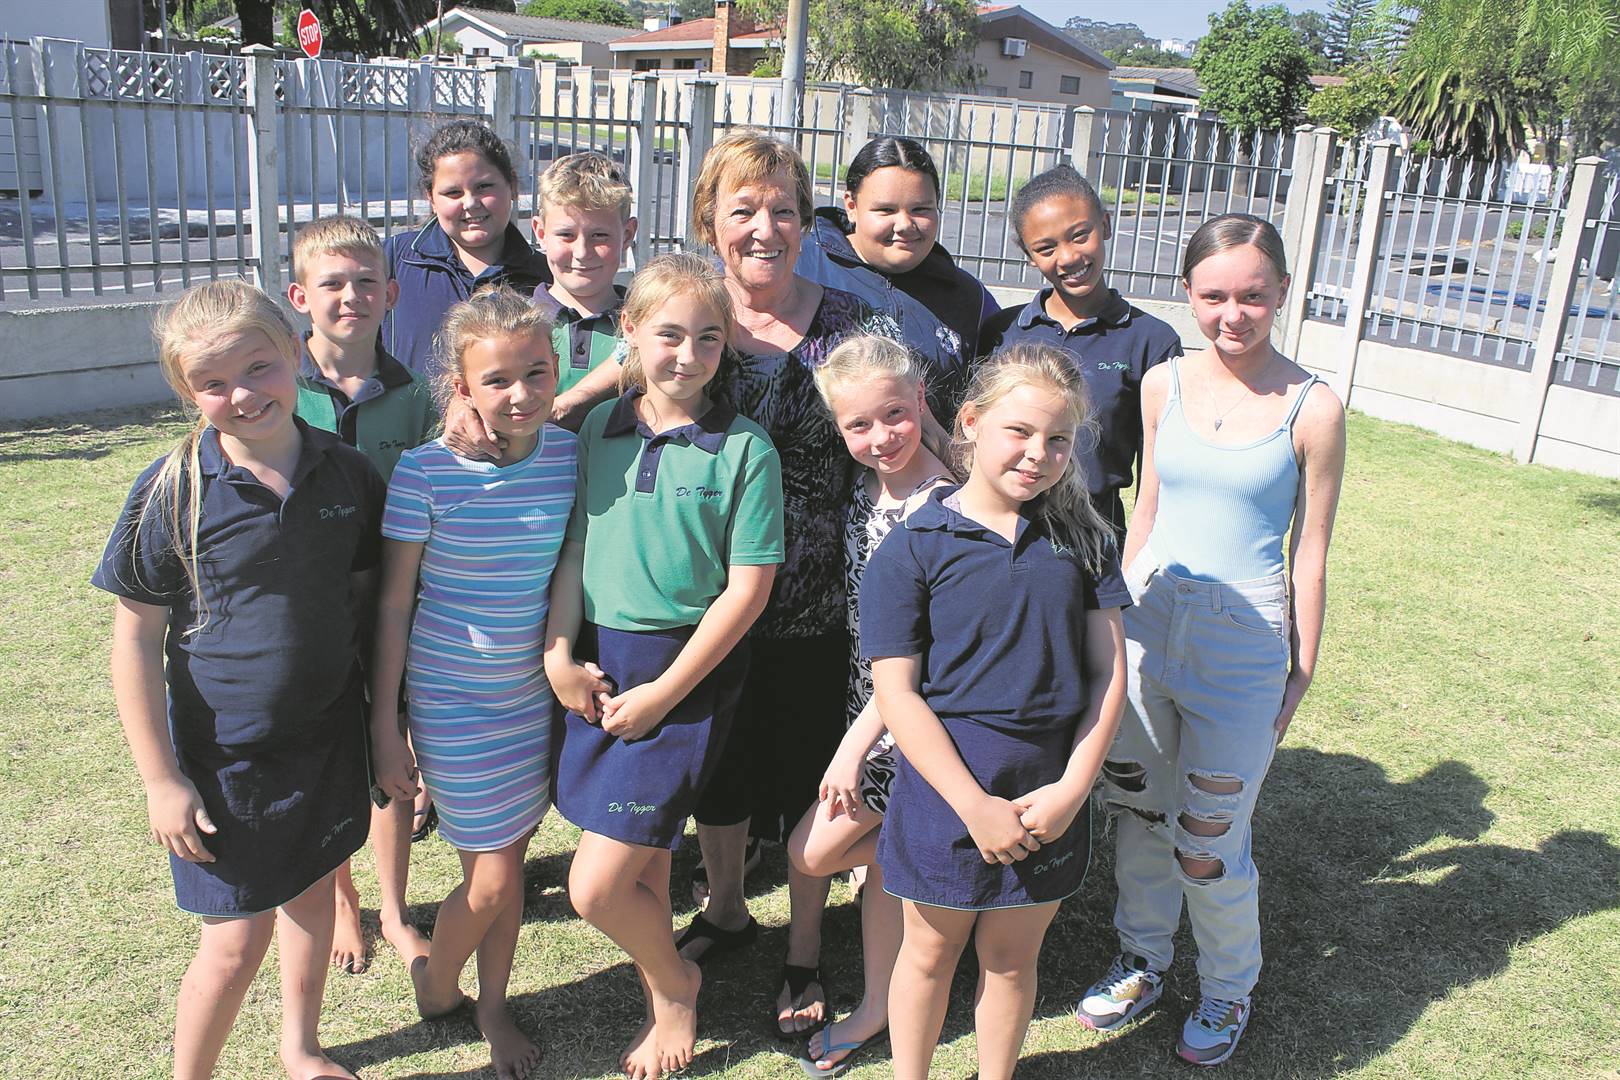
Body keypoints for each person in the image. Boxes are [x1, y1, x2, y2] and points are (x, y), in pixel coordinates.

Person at [92, 280, 385, 1080]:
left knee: (312, 899)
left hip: (327, 744)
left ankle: (302, 1047)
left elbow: (367, 607)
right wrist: (161, 781)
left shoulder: (349, 474)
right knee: (234, 941)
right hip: (225, 768)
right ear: (186, 391)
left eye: (259, 367)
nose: (244, 395)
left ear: (294, 351)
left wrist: (383, 728)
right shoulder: (171, 489)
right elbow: (134, 640)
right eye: (213, 383)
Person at [1075, 214, 1346, 1068]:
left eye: (1253, 296)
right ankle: (1142, 959)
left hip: (1243, 641)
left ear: (1283, 293)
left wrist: (1302, 666)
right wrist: (1111, 621)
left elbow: (1310, 548)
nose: (1234, 315)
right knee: (1139, 811)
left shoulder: (1313, 407)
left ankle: (1228, 989)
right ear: (1188, 294)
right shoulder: (1163, 382)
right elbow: (1147, 511)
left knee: (1208, 838)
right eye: (1215, 295)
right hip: (1148, 621)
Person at [671, 129, 902, 1042]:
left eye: (782, 210)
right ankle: (726, 907)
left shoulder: (852, 322)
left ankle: (804, 949)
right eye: (742, 210)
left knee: (815, 780)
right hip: (708, 600)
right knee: (720, 772)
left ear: (808, 223)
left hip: (821, 602)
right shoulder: (693, 318)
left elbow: (904, 425)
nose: (763, 228)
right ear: (709, 223)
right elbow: (623, 383)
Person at [544, 253, 784, 1080]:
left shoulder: (745, 449)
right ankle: (661, 991)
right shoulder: (596, 432)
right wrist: (558, 655)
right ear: (631, 333)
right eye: (670, 334)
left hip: (684, 677)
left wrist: (663, 694)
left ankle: (678, 986)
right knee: (642, 859)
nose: (688, 354)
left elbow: (746, 593)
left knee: (595, 888)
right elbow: (575, 552)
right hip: (603, 664)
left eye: (709, 338)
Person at [863, 343, 1129, 1080]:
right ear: (971, 422)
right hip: (944, 795)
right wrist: (972, 805)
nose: (1038, 454)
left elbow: (1108, 674)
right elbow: (897, 693)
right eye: (1019, 431)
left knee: (1011, 960)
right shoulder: (912, 549)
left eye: (1058, 439)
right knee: (928, 953)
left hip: (1049, 792)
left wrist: (1073, 789)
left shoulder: (1085, 540)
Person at [369, 287, 575, 1080]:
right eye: (497, 380)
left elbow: (641, 362)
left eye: (536, 372)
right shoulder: (424, 473)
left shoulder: (569, 454)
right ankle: (436, 983)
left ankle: (491, 1003)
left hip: (529, 700)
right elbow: (394, 605)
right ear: (461, 387)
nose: (520, 393)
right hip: (451, 702)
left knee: (505, 869)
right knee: (490, 880)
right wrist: (387, 724)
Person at [785, 334, 954, 1077]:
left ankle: (923, 862)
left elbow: (924, 654)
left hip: (909, 716)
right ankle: (877, 1005)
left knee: (811, 852)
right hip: (869, 700)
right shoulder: (866, 488)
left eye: (895, 415)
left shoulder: (943, 505)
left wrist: (854, 745)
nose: (881, 437)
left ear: (921, 400)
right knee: (882, 873)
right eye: (859, 424)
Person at [287, 215, 439, 977]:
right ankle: (342, 896)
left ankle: (394, 908)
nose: (351, 297)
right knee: (329, 751)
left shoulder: (417, 397)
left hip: (394, 603)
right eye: (333, 284)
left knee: (391, 748)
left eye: (366, 282)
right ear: (300, 297)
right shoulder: (276, 388)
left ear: (392, 293)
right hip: (309, 607)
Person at [979, 164, 1183, 539]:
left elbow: (1161, 475)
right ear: (1028, 254)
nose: (1069, 257)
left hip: (1094, 539)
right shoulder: (1002, 332)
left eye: (1079, 235)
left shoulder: (1151, 341)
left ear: (1105, 225)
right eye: (1046, 248)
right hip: (1001, 534)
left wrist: (1139, 554)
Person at [795, 136, 997, 417]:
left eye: (920, 209)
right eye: (886, 210)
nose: (904, 224)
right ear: (851, 206)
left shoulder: (971, 299)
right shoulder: (799, 267)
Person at [381, 119, 552, 376]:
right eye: (453, 193)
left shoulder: (545, 277)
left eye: (483, 187)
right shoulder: (393, 259)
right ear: (431, 198)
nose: (470, 203)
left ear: (513, 186)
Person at [531, 151, 637, 431]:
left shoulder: (648, 326)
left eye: (599, 236)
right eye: (566, 235)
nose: (582, 252)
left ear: (627, 234)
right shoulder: (512, 323)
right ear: (540, 233)